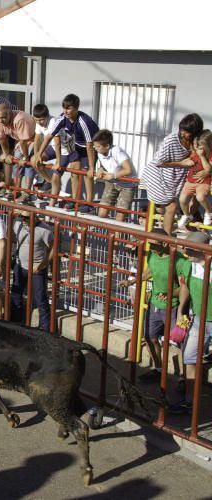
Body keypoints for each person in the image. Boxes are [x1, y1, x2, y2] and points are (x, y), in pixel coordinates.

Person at [118, 228, 185, 383]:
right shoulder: (153, 256)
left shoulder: (179, 260)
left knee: (181, 343)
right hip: (154, 304)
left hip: (173, 308)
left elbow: (184, 288)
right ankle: (158, 369)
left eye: (154, 245)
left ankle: (183, 378)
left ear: (163, 243)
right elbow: (149, 273)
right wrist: (132, 281)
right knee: (149, 337)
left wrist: (170, 294)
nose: (151, 248)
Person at [140, 113, 204, 236]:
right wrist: (182, 163)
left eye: (187, 131)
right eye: (182, 130)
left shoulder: (196, 142)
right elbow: (159, 162)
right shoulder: (171, 140)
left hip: (175, 178)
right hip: (158, 175)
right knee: (171, 207)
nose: (182, 133)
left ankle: (167, 233)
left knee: (180, 203)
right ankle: (165, 240)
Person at [33, 94, 99, 213]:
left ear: (77, 108)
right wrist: (38, 154)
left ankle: (90, 204)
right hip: (76, 146)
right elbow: (48, 137)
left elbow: (90, 145)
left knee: (87, 174)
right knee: (74, 172)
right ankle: (74, 200)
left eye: (69, 108)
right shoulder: (62, 118)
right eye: (64, 108)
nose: (66, 111)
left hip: (90, 148)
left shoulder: (84, 121)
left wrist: (91, 167)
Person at [172, 230, 212, 413]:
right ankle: (189, 402)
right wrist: (181, 309)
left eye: (190, 249)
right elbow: (186, 287)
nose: (186, 253)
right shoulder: (191, 266)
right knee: (189, 358)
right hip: (198, 319)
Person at [10, 209, 55, 332]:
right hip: (20, 266)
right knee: (16, 295)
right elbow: (11, 236)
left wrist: (42, 264)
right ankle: (15, 325)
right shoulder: (18, 224)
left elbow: (54, 247)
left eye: (26, 218)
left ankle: (45, 330)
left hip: (37, 269)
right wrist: (12, 217)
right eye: (22, 217)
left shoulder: (44, 230)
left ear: (35, 217)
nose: (23, 220)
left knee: (40, 298)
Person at [32, 103, 75, 206]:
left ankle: (52, 203)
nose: (39, 122)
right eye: (37, 120)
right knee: (33, 161)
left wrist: (58, 162)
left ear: (47, 116)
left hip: (65, 150)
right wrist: (36, 155)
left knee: (56, 174)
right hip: (52, 147)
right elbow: (37, 139)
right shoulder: (38, 122)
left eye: (41, 120)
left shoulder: (53, 122)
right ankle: (49, 182)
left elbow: (58, 143)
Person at [0, 103, 36, 199]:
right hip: (21, 141)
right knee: (15, 161)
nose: (1, 120)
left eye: (3, 117)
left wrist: (25, 157)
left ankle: (27, 192)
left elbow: (24, 141)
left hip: (35, 139)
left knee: (28, 163)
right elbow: (1, 139)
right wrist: (6, 154)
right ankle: (17, 189)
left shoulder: (19, 119)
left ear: (10, 113)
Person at [92, 129, 137, 222]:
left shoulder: (117, 151)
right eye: (94, 146)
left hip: (127, 185)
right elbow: (104, 164)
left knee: (120, 217)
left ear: (107, 146)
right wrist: (100, 169)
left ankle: (115, 235)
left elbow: (128, 170)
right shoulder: (100, 152)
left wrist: (113, 175)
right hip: (112, 182)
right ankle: (108, 234)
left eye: (98, 146)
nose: (95, 148)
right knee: (102, 213)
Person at [178, 129, 212, 230]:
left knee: (200, 197)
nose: (199, 148)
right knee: (182, 199)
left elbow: (208, 169)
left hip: (203, 182)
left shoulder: (209, 155)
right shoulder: (194, 152)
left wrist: (201, 156)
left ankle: (208, 213)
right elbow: (187, 161)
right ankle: (187, 215)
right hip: (190, 181)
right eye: (197, 145)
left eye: (201, 145)